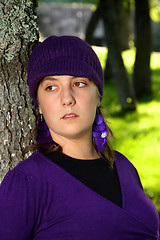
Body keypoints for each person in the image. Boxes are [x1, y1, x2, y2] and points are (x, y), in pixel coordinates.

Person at [0, 36, 159, 240]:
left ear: (98, 95)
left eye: (79, 83)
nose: (67, 98)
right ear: (38, 104)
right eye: (51, 87)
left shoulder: (125, 167)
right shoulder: (26, 183)